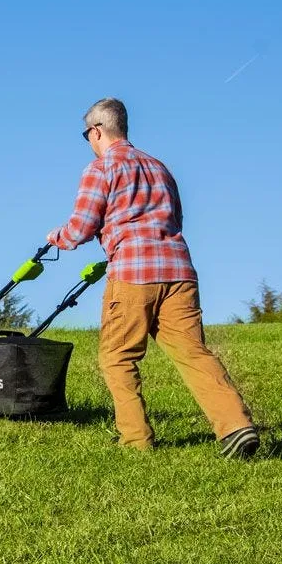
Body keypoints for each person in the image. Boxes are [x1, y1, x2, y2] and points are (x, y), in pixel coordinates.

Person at [46, 97, 259, 458]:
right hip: (178, 270)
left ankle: (136, 440)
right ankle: (236, 426)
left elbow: (81, 227)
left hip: (133, 273)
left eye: (87, 135)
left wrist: (57, 238)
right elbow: (175, 219)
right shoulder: (160, 168)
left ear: (96, 131)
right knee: (193, 352)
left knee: (118, 356)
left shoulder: (100, 169)